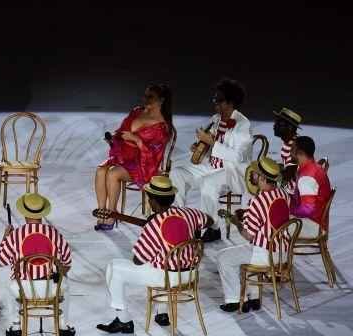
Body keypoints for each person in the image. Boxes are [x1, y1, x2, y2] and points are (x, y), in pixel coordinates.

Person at [97, 176, 212, 333]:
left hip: (167, 277)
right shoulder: (189, 213)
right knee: (160, 259)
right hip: (190, 273)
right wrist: (194, 235)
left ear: (153, 201)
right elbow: (209, 221)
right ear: (171, 198)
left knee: (114, 268)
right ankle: (162, 313)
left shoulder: (154, 224)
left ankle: (123, 320)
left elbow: (138, 260)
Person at [170, 78, 252, 242]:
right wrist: (201, 147)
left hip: (232, 172)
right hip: (212, 166)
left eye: (219, 100)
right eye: (215, 99)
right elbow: (211, 146)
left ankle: (212, 227)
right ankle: (179, 220)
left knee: (209, 183)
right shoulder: (216, 119)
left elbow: (237, 157)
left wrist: (211, 143)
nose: (215, 103)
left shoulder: (243, 125)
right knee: (177, 174)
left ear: (230, 103)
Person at [93, 83, 172, 230]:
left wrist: (136, 140)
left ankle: (111, 216)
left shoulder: (162, 127)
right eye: (145, 95)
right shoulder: (136, 111)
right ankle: (102, 212)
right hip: (124, 157)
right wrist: (114, 141)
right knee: (100, 170)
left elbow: (154, 156)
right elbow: (121, 133)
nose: (146, 99)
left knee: (112, 173)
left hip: (144, 165)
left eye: (151, 97)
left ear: (161, 100)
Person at [0, 192, 74, 336]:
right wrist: (58, 275)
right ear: (42, 213)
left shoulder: (16, 234)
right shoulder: (54, 233)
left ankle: (15, 325)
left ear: (24, 213)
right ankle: (63, 325)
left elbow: (1, 261)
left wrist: (5, 238)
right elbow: (68, 263)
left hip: (23, 290)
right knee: (66, 281)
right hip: (52, 290)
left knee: (9, 286)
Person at [216, 157, 290, 312]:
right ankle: (254, 298)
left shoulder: (258, 201)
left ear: (262, 178)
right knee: (249, 250)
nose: (253, 175)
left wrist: (236, 223)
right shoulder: (283, 194)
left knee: (224, 257)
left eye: (256, 173)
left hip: (266, 255)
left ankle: (234, 300)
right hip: (283, 252)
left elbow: (249, 235)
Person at [289, 136, 332, 238]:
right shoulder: (313, 167)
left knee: (272, 220)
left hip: (313, 226)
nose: (290, 153)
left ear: (300, 152)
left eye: (293, 150)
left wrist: (288, 208)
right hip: (315, 221)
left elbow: (308, 209)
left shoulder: (307, 177)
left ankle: (276, 253)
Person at [272, 107, 302, 195]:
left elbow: (289, 175)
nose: (274, 125)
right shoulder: (290, 142)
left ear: (290, 127)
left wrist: (269, 173)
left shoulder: (293, 146)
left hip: (294, 194)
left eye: (279, 123)